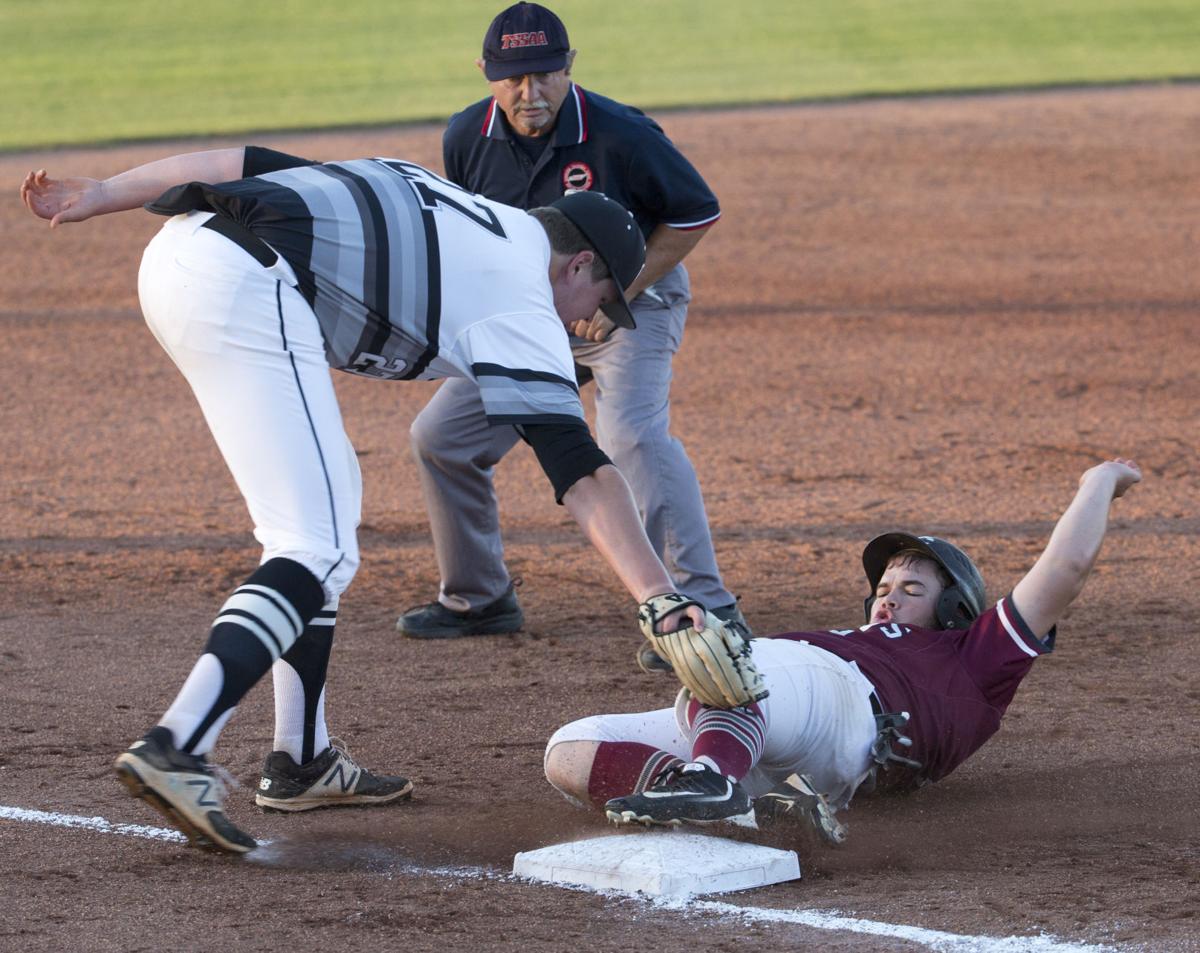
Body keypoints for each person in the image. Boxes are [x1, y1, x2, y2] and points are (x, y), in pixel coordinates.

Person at [21, 147, 710, 854]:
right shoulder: (524, 300)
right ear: (576, 265)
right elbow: (580, 469)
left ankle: (302, 758)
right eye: (601, 298)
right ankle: (177, 744)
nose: (589, 319)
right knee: (315, 545)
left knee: (316, 525)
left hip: (181, 260)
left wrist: (107, 192)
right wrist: (660, 597)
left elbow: (242, 160)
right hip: (244, 282)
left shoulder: (448, 198)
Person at [543, 459, 1143, 841]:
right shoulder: (853, 638)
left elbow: (1066, 568)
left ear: (956, 608)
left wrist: (1100, 480)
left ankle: (710, 779)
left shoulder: (975, 655)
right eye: (883, 589)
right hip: (783, 740)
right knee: (570, 751)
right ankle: (753, 809)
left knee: (743, 664)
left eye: (912, 589)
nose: (889, 600)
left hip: (852, 715)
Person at [395, 2, 739, 659]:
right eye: (514, 78)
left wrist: (618, 294)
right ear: (486, 75)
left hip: (628, 304)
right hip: (530, 317)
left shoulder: (620, 134)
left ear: (569, 67)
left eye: (546, 75)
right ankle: (479, 598)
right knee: (441, 437)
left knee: (631, 433)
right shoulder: (466, 136)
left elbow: (697, 212)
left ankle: (705, 604)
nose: (532, 92)